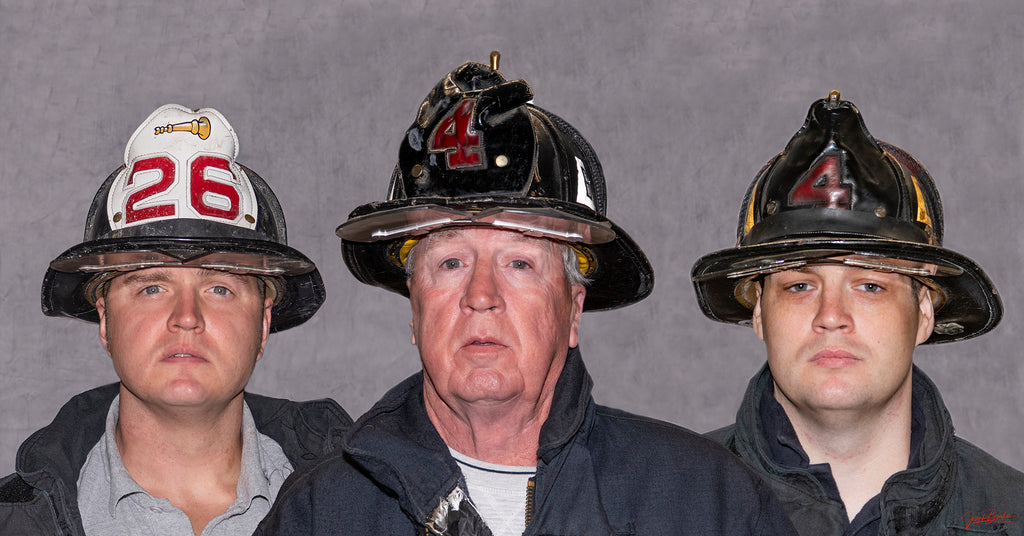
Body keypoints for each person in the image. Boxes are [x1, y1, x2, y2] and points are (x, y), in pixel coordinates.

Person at [255, 54, 797, 536]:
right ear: (415, 309)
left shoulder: (706, 503)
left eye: (519, 262)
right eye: (450, 263)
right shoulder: (319, 514)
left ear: (572, 311)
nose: (481, 296)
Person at [0, 104, 351, 535]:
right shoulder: (13, 521)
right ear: (106, 319)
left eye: (220, 287)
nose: (187, 318)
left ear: (262, 323)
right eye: (151, 287)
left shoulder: (367, 507)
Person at [693, 91, 1024, 535]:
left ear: (923, 311)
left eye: (870, 286)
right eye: (799, 286)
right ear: (757, 313)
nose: (831, 315)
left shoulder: (1010, 512)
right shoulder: (667, 508)